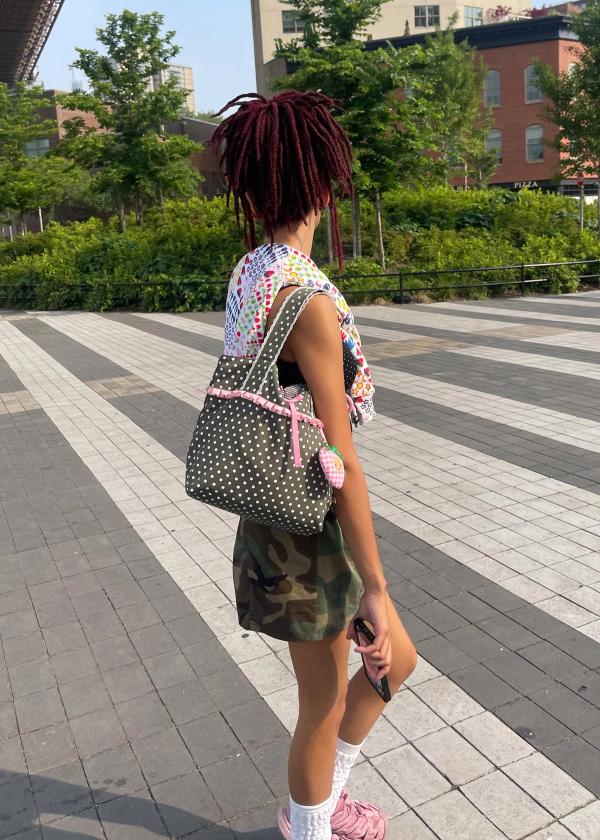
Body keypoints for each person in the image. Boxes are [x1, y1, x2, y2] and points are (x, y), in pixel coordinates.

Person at [211, 91, 417, 840]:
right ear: (323, 184)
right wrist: (377, 589)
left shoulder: (253, 269)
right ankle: (310, 827)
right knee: (326, 702)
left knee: (395, 665)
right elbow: (342, 458)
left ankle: (323, 807)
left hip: (281, 507)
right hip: (307, 523)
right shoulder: (306, 300)